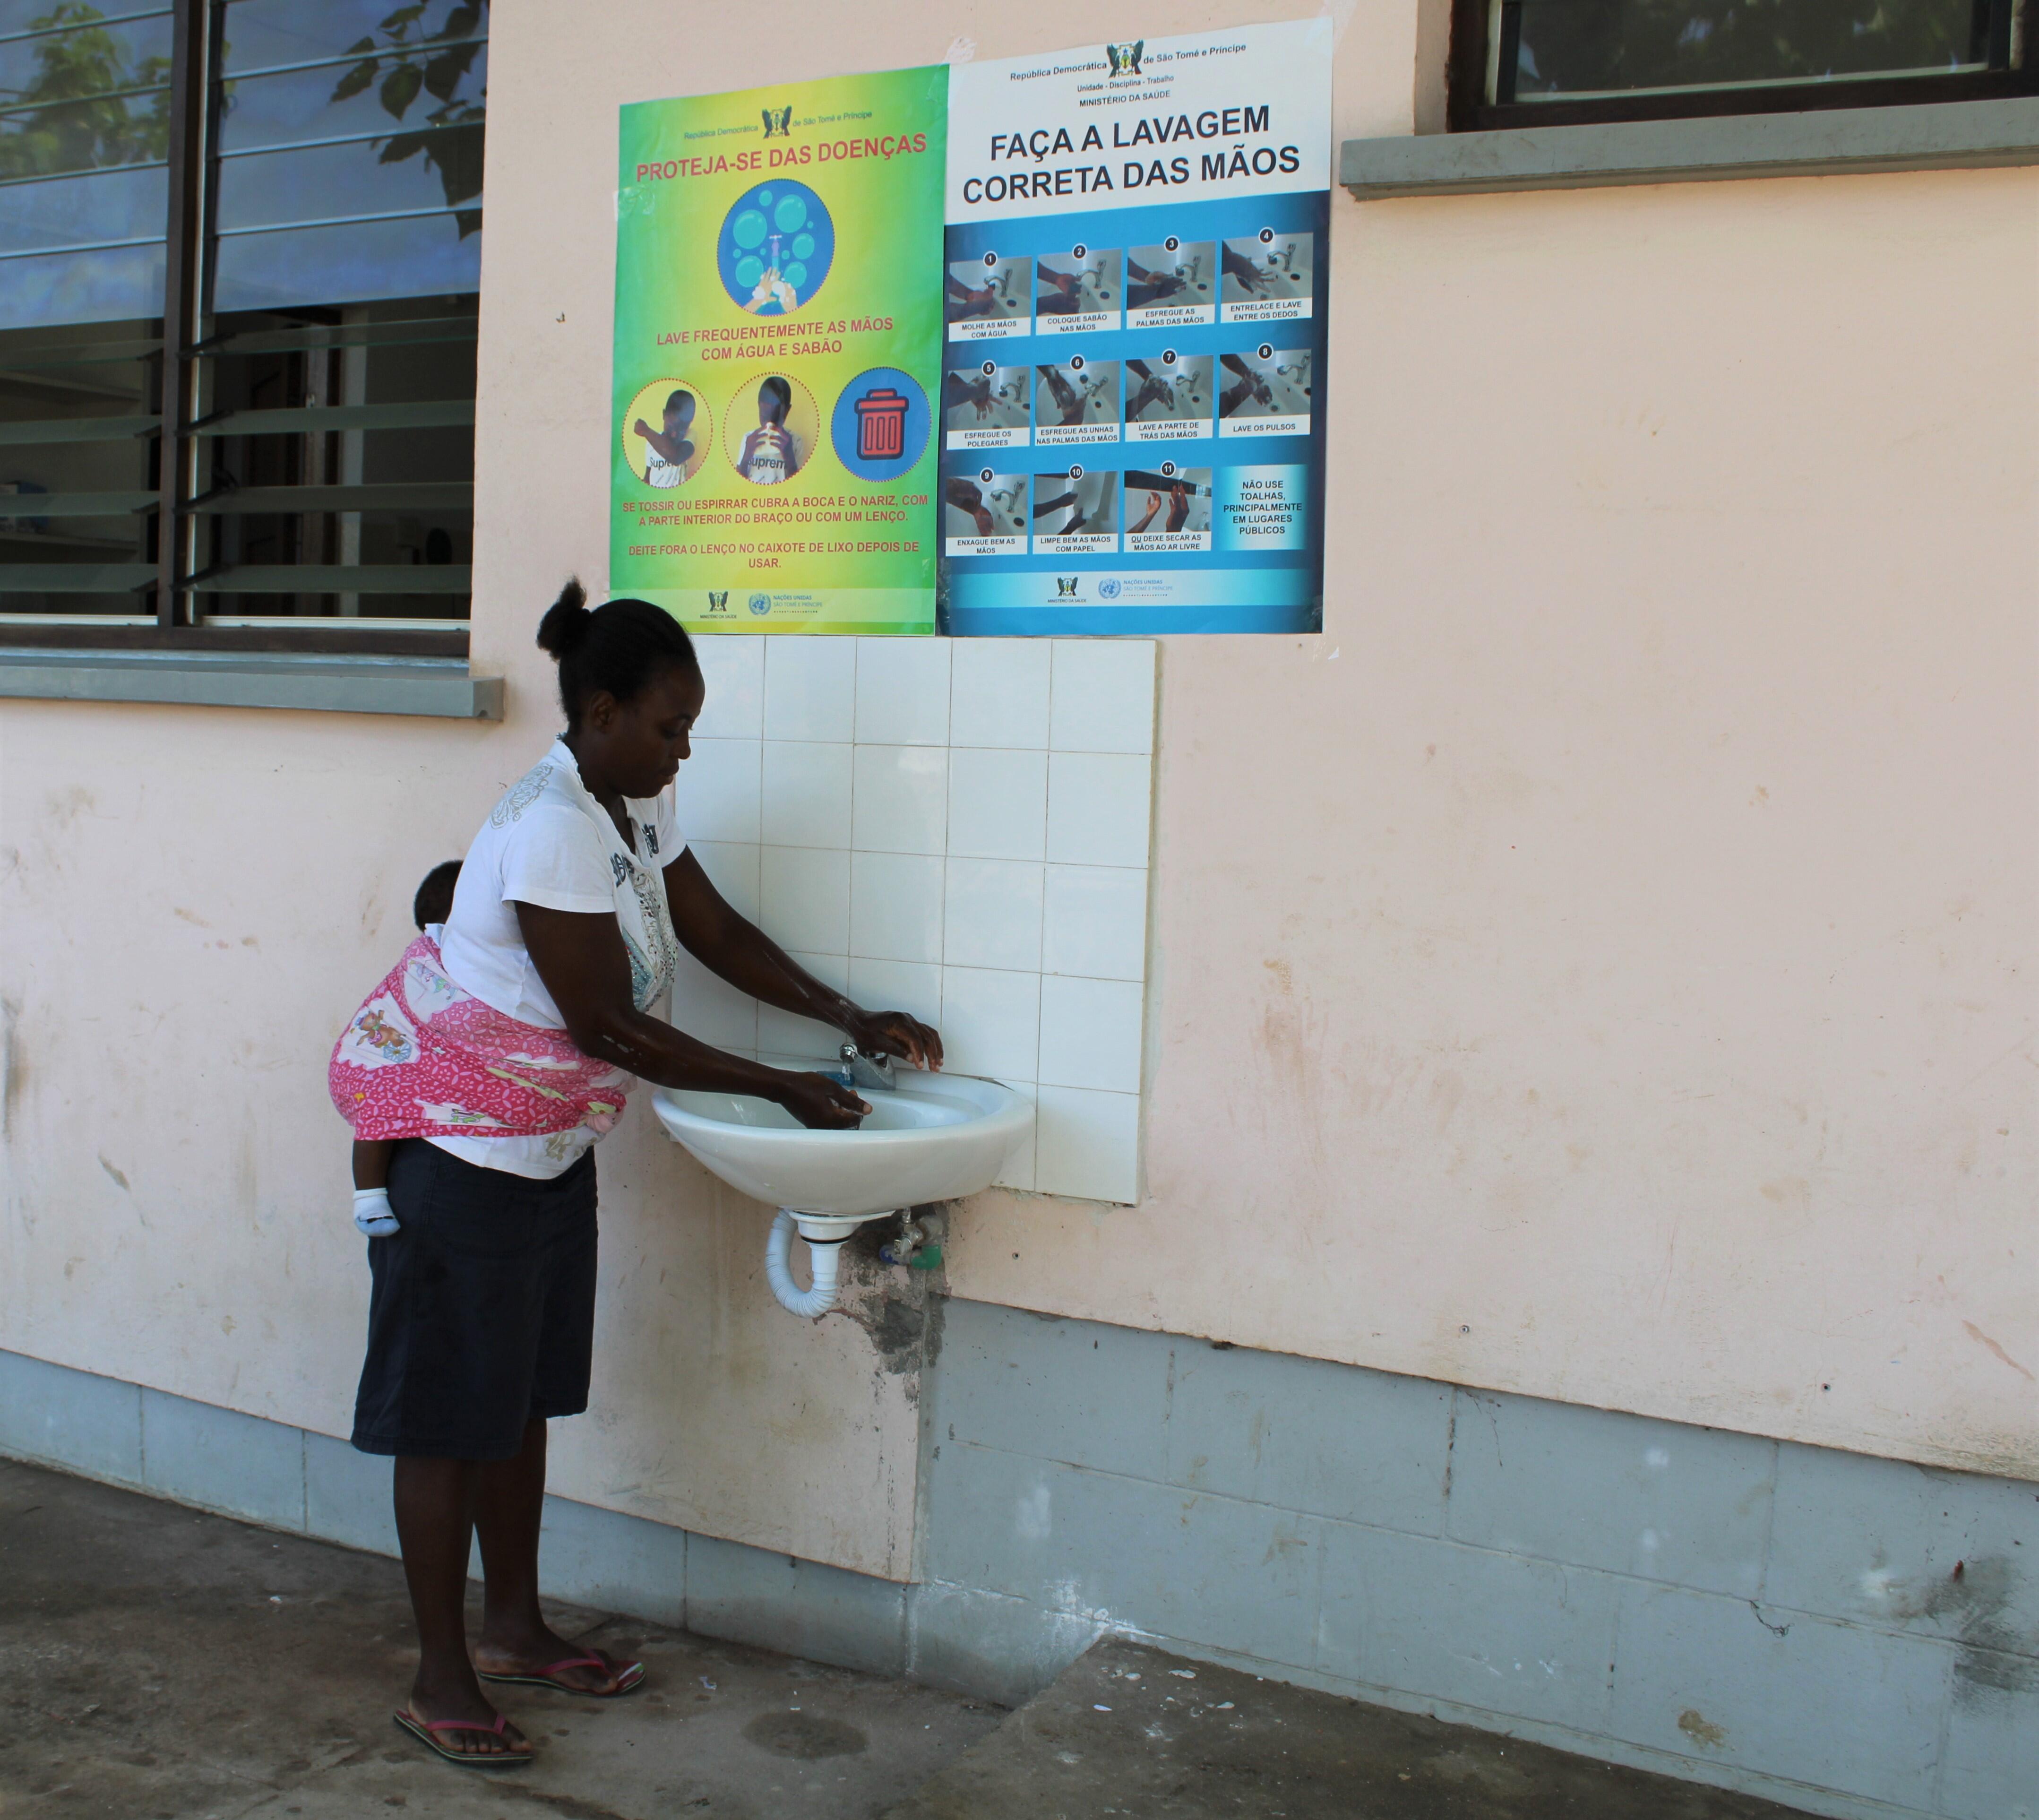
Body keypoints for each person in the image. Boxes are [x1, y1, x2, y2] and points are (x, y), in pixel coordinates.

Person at [330, 582, 941, 1768]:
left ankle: (511, 1626)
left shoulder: (628, 805)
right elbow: (606, 1023)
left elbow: (710, 928)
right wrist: (781, 1085)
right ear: (601, 711)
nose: (684, 750)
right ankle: (439, 1673)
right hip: (465, 1157)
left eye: (689, 728)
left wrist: (844, 1013)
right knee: (450, 1425)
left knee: (514, 1408)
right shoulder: (555, 822)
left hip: (544, 1153)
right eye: (669, 728)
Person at [350, 860, 463, 1239]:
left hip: (440, 1083)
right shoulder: (429, 960)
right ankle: (368, 1197)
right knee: (380, 1107)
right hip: (396, 1058)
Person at [738, 377, 801, 483]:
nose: (769, 425)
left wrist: (789, 457)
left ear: (787, 411)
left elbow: (800, 486)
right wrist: (747, 456)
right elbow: (736, 485)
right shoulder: (748, 438)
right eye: (764, 416)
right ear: (759, 406)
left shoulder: (796, 441)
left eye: (777, 418)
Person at [632, 390, 696, 488]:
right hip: (657, 501)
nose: (674, 435)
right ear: (664, 414)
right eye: (671, 427)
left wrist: (646, 431)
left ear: (690, 422)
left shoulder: (691, 436)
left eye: (681, 430)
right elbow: (648, 475)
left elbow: (676, 458)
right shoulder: (651, 442)